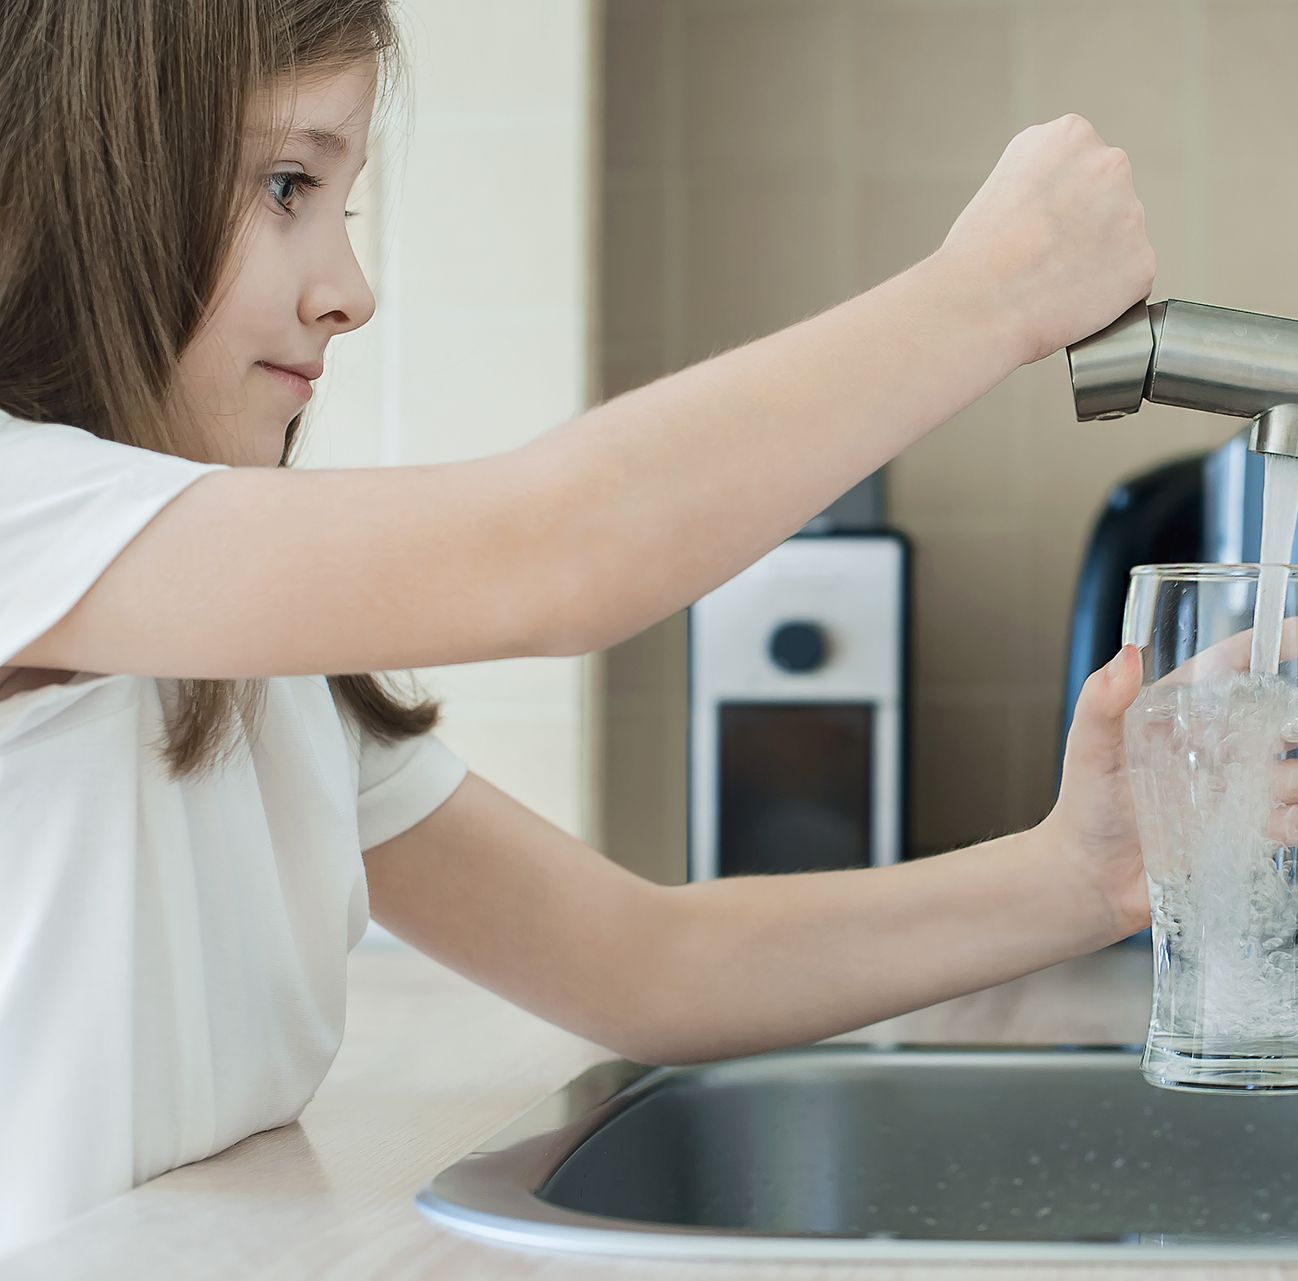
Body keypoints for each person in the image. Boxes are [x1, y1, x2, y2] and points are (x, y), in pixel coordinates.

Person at [0, 0, 1163, 1252]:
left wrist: (1078, 879)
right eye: (288, 183)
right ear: (77, 183)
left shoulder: (254, 654)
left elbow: (641, 964)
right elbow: (557, 554)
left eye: (343, 204)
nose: (351, 290)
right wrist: (988, 296)